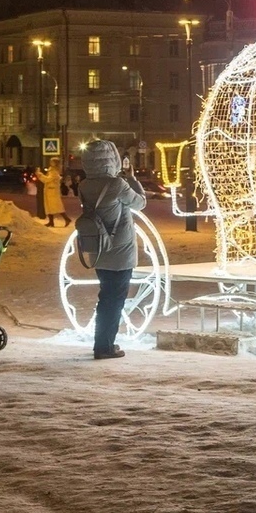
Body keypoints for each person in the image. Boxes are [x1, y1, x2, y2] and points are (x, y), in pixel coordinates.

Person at [78, 140, 146, 360]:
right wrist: (132, 178)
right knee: (114, 301)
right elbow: (140, 203)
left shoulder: (84, 185)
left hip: (98, 249)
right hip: (120, 251)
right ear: (113, 159)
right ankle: (104, 347)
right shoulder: (117, 185)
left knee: (106, 298)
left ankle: (103, 343)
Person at [37, 156, 71, 227]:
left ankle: (66, 219)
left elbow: (47, 180)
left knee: (56, 206)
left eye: (52, 162)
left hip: (52, 191)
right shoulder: (52, 170)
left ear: (55, 163)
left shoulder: (54, 172)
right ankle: (51, 222)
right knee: (50, 207)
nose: (50, 162)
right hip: (50, 191)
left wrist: (40, 175)